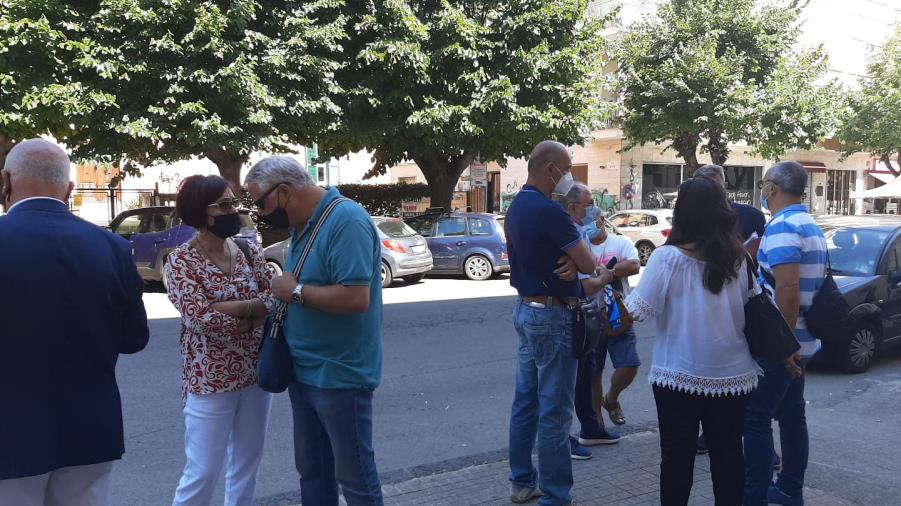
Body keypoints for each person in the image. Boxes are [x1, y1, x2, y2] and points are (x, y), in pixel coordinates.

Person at [0, 139, 149, 505]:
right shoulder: (112, 246)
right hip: (90, 429)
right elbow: (134, 338)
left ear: (5, 180)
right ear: (68, 187)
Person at [244, 156, 384, 506]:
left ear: (285, 191)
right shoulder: (302, 224)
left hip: (339, 375)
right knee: (313, 473)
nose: (259, 212)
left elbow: (355, 298)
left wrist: (295, 292)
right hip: (303, 371)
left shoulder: (346, 221)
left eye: (260, 202)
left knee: (355, 478)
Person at [625, 177, 759, 505]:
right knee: (728, 457)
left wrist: (616, 284)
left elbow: (637, 311)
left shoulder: (666, 259)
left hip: (677, 375)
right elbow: (751, 304)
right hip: (733, 375)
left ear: (681, 212)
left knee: (676, 460)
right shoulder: (738, 258)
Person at [504, 141, 608, 505]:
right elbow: (590, 263)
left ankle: (521, 482)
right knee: (555, 413)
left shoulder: (517, 205)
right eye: (566, 168)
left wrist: (570, 259)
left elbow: (536, 257)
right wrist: (573, 259)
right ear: (550, 169)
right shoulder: (550, 212)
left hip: (526, 310)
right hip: (552, 316)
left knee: (526, 403)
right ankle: (555, 496)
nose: (569, 176)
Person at [165, 175, 276, 506]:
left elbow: (275, 296)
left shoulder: (247, 249)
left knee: (246, 466)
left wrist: (237, 309)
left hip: (256, 373)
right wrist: (253, 315)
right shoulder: (181, 261)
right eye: (224, 205)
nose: (234, 211)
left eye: (234, 203)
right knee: (203, 471)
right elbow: (199, 317)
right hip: (209, 378)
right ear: (201, 211)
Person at [744, 161, 827, 506]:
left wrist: (784, 345)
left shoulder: (782, 226)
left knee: (755, 417)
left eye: (763, 184)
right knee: (792, 415)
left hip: (783, 344)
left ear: (773, 188)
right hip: (801, 340)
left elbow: (788, 288)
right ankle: (790, 489)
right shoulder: (809, 224)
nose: (762, 191)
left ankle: (755, 495)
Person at [558, 184, 641, 461]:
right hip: (580, 316)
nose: (593, 211)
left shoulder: (613, 241)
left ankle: (595, 423)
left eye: (595, 207)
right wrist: (601, 275)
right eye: (588, 204)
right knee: (581, 376)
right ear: (572, 208)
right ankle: (579, 432)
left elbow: (633, 265)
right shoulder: (571, 237)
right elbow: (580, 275)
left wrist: (604, 272)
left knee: (612, 367)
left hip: (610, 315)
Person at [692, 164, 766, 456]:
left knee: (744, 371)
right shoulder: (691, 218)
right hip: (702, 306)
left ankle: (756, 438)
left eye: (713, 186)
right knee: (704, 369)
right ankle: (707, 431)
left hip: (741, 302)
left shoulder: (749, 215)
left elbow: (759, 254)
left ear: (722, 186)